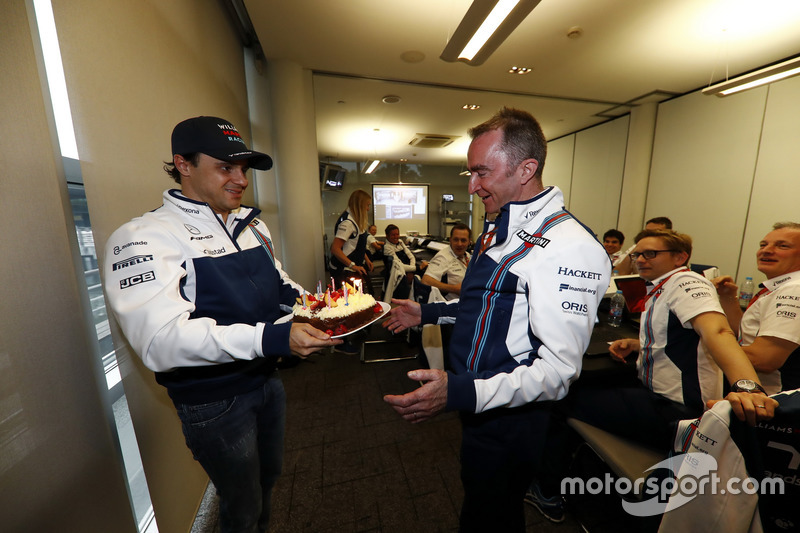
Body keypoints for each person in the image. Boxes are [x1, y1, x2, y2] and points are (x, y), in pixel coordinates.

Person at [103, 116, 341, 533]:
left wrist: (327, 309)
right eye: (226, 167)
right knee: (241, 507)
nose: (241, 179)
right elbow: (159, 341)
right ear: (184, 164)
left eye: (243, 168)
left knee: (268, 482)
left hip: (266, 382)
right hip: (214, 399)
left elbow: (281, 287)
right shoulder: (144, 236)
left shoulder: (252, 226)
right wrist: (272, 337)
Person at [382, 107, 611, 532]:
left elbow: (558, 372)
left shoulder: (569, 247)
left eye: (481, 173)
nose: (471, 186)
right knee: (484, 501)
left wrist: (461, 391)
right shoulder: (500, 224)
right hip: (480, 403)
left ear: (526, 169)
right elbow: (487, 303)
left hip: (510, 416)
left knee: (491, 515)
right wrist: (427, 310)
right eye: (470, 173)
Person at [525, 229, 777, 523]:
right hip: (662, 398)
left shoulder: (685, 282)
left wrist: (749, 388)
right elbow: (682, 337)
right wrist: (639, 345)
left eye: (651, 254)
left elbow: (718, 331)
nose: (641, 260)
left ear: (680, 257)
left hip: (677, 412)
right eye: (637, 254)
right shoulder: (661, 287)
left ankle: (547, 491)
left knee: (559, 397)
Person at [713, 222, 800, 394]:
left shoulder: (794, 289)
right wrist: (728, 298)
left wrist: (702, 350)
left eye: (782, 246)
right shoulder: (779, 287)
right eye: (763, 245)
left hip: (773, 404)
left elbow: (764, 358)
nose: (766, 250)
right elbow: (745, 336)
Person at [329, 189, 374, 289]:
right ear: (360, 205)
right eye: (367, 205)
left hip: (352, 267)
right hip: (343, 270)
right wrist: (352, 265)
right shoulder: (348, 223)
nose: (368, 209)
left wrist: (366, 259)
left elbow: (355, 244)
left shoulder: (355, 220)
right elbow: (335, 249)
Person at [420, 223, 472, 301]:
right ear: (450, 240)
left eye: (463, 240)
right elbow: (425, 281)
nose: (459, 244)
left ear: (469, 242)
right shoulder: (443, 257)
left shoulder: (467, 256)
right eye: (456, 239)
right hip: (454, 305)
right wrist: (454, 289)